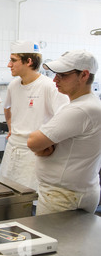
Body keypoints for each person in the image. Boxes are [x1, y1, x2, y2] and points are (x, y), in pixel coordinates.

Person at [27, 50, 101, 215]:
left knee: (55, 240)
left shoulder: (81, 109)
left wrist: (44, 144)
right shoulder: (87, 104)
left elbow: (34, 142)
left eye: (63, 75)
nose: (55, 80)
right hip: (73, 193)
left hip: (64, 197)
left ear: (84, 75)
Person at [0, 41, 69, 190]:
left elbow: (64, 119)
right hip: (13, 147)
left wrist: (50, 143)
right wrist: (11, 128)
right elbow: (7, 108)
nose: (9, 64)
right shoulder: (13, 85)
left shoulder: (49, 86)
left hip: (35, 153)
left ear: (29, 61)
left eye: (13, 60)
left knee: (30, 197)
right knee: (8, 192)